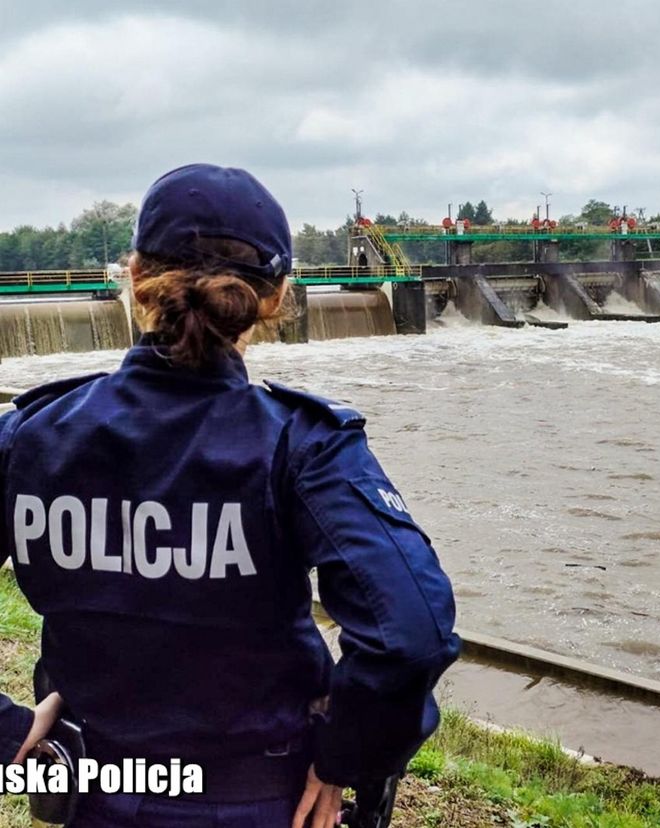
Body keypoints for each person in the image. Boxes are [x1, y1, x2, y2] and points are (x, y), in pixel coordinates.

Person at [0, 163, 460, 827]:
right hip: (262, 801)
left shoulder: (33, 435)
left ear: (134, 279)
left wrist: (12, 731)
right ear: (274, 298)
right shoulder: (302, 447)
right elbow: (410, 633)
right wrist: (343, 757)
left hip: (93, 792)